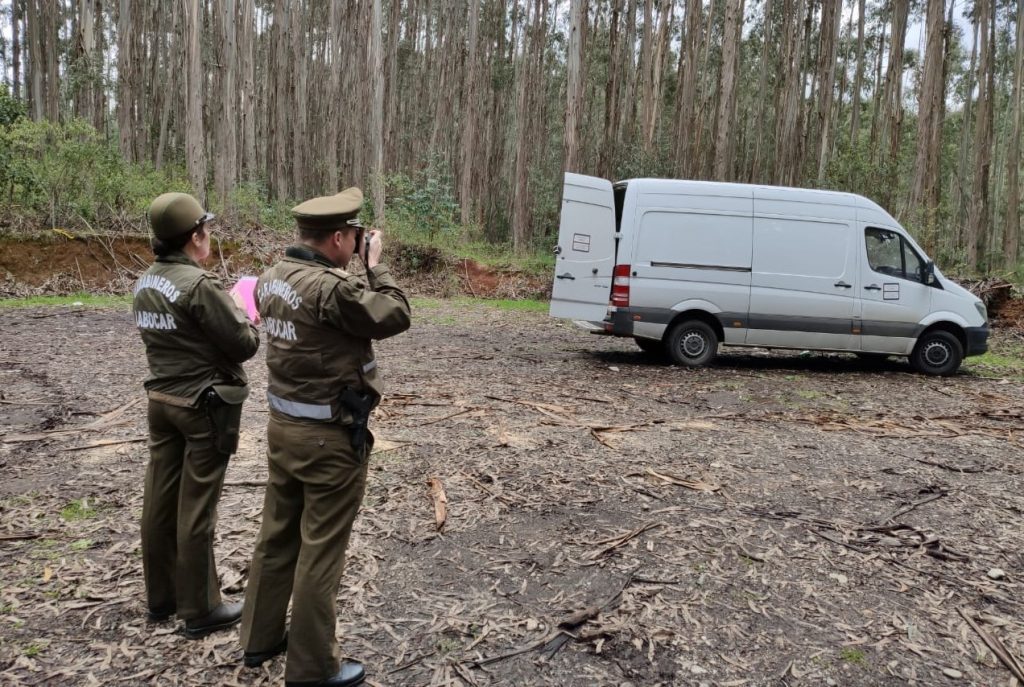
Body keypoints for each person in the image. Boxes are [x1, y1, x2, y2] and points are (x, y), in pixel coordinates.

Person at [240, 187, 410, 687]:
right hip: (328, 439)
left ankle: (259, 639)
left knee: (276, 538)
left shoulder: (271, 278)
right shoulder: (332, 289)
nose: (357, 243)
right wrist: (376, 264)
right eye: (354, 237)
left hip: (283, 430)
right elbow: (394, 314)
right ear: (338, 237)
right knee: (321, 550)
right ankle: (314, 667)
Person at [133, 193, 260, 638]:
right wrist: (244, 314)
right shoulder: (198, 285)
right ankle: (201, 608)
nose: (209, 236)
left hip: (161, 402)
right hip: (204, 406)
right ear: (194, 236)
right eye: (206, 229)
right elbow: (243, 345)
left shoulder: (146, 280)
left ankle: (161, 598)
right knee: (197, 509)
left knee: (159, 502)